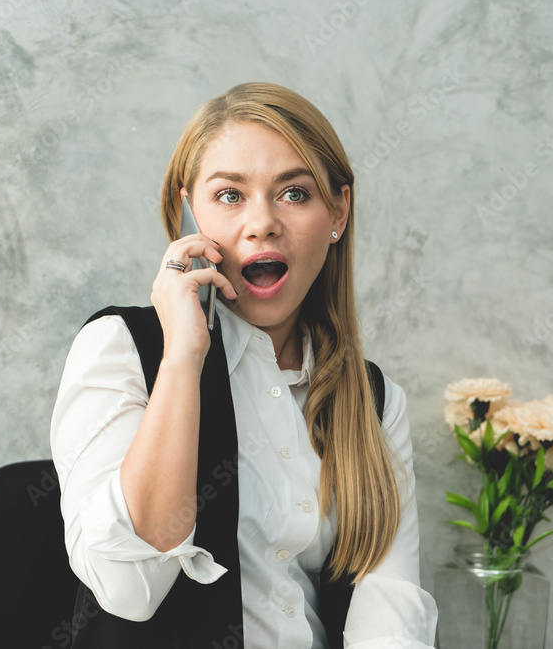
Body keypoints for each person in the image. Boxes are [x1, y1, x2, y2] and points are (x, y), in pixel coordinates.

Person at [50, 82, 438, 648]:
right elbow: (127, 590)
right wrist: (183, 357)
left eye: (295, 194)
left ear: (339, 211)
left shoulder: (377, 403)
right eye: (230, 196)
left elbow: (390, 613)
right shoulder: (121, 349)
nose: (262, 223)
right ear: (191, 211)